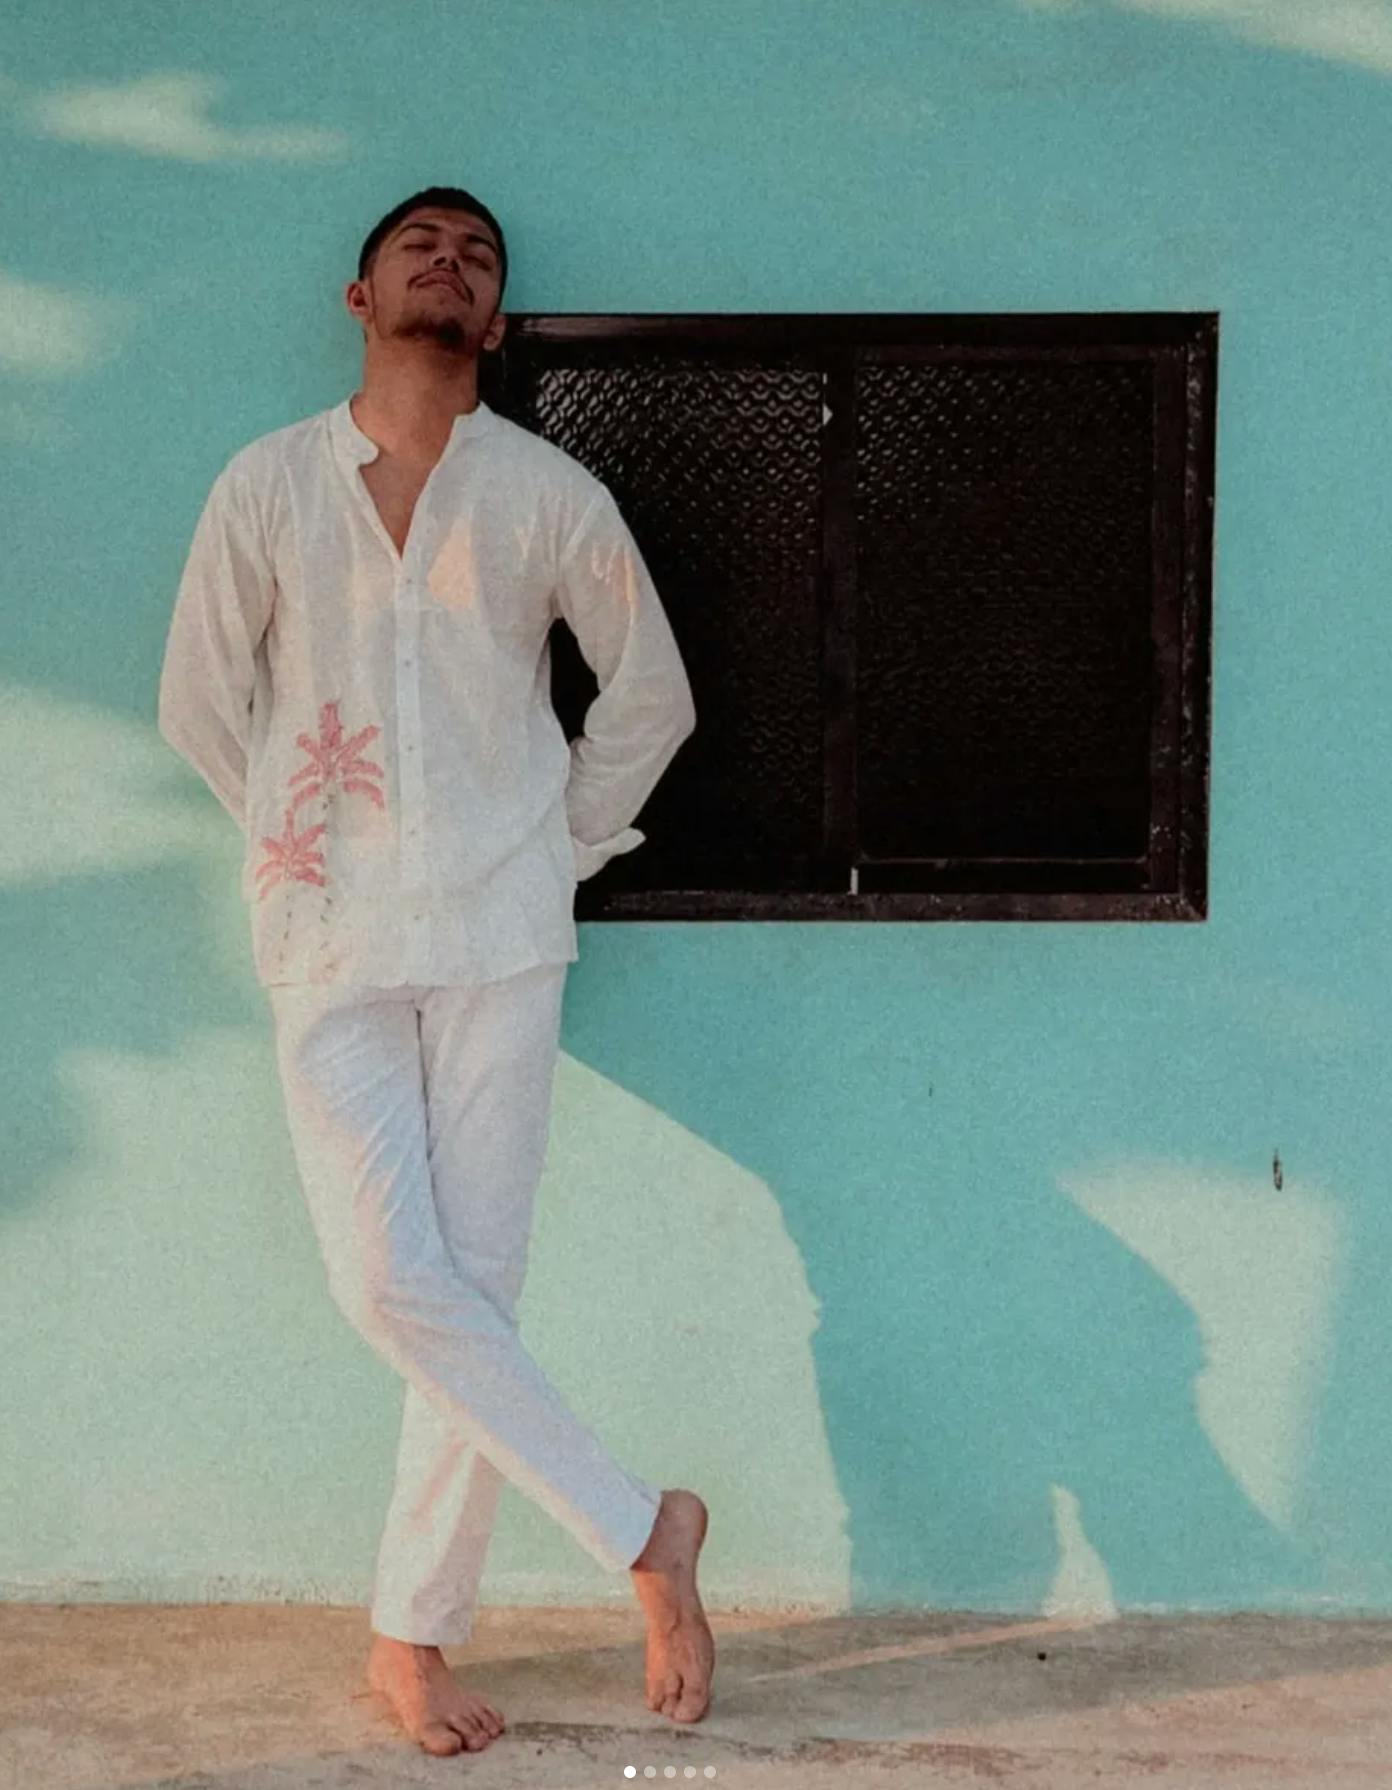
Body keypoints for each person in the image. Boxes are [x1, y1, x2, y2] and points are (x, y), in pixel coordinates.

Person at [157, 184, 713, 1757]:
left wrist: (559, 841)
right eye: (421, 247)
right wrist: (301, 840)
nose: (449, 264)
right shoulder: (267, 485)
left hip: (499, 942)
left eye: (476, 256)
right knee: (391, 1281)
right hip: (328, 943)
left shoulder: (546, 494)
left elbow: (652, 695)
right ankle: (643, 1531)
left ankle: (410, 1633)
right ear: (360, 298)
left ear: (496, 318)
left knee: (475, 1282)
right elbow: (199, 700)